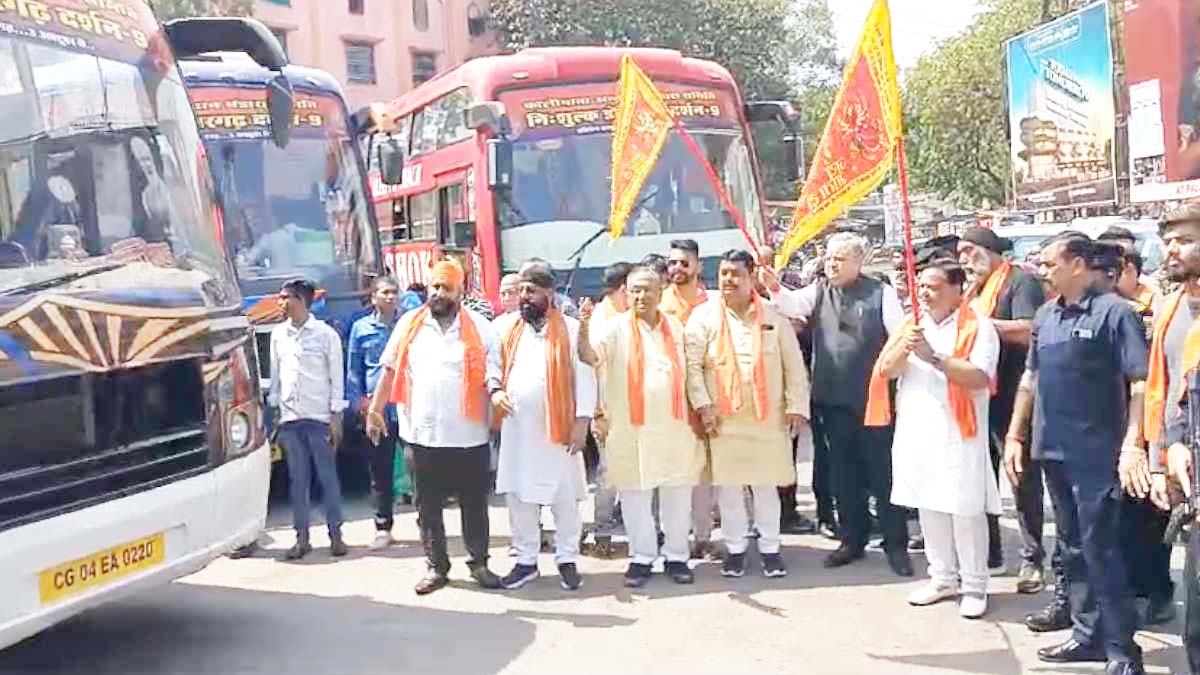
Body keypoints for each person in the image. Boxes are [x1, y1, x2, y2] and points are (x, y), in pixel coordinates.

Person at [1003, 234, 1149, 675]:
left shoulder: (1116, 314)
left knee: (1102, 549)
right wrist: (1015, 435)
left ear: (1079, 265)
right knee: (1070, 549)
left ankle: (1123, 650)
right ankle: (1087, 637)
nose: (1041, 270)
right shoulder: (1046, 316)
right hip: (1053, 450)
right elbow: (1029, 381)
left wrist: (1132, 444)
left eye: (1049, 263)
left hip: (1098, 453)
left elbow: (1140, 384)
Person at [763, 231, 913, 577]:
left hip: (874, 401)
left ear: (859, 262)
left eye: (839, 259)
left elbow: (901, 335)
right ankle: (851, 540)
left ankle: (895, 545)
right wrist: (773, 285)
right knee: (842, 475)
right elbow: (791, 304)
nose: (831, 264)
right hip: (831, 401)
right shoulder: (818, 291)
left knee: (882, 474)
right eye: (829, 258)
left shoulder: (881, 293)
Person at [868, 256, 1001, 619]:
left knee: (964, 510)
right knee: (928, 505)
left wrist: (934, 356)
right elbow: (886, 371)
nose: (924, 294)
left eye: (934, 287)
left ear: (957, 290)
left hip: (961, 433)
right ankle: (942, 577)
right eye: (921, 286)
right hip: (917, 431)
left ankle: (975, 584)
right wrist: (905, 347)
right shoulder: (912, 325)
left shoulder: (978, 327)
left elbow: (979, 377)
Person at [365, 260, 503, 595]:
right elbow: (389, 368)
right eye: (435, 287)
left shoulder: (482, 329)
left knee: (474, 505)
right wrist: (375, 409)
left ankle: (479, 563)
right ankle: (436, 567)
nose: (439, 294)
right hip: (421, 434)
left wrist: (497, 393)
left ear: (460, 292)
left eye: (446, 288)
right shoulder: (410, 324)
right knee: (427, 508)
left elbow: (494, 372)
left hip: (468, 435)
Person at [685, 249, 810, 578]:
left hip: (768, 417)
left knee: (767, 486)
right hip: (722, 420)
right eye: (724, 273)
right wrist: (703, 405)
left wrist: (797, 406)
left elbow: (793, 365)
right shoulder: (704, 316)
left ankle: (770, 548)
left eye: (735, 274)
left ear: (751, 276)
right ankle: (736, 549)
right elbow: (692, 368)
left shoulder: (772, 315)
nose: (728, 280)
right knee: (729, 488)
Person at [593, 265, 702, 586]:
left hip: (674, 426)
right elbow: (592, 357)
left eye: (647, 290)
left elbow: (692, 373)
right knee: (634, 495)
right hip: (630, 429)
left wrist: (703, 408)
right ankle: (641, 557)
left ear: (661, 291)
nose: (640, 296)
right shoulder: (613, 328)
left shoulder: (676, 328)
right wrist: (584, 329)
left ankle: (677, 556)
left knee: (677, 495)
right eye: (634, 290)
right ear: (626, 293)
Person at [492, 262, 595, 591]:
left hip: (560, 430)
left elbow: (587, 377)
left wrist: (582, 422)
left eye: (531, 290)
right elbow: (491, 367)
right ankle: (525, 561)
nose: (524, 296)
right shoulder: (504, 328)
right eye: (521, 289)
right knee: (519, 499)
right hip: (519, 430)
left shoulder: (572, 329)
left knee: (564, 499)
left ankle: (567, 559)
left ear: (549, 294)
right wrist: (495, 392)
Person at [956, 227, 1047, 589]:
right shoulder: (973, 290)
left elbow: (1029, 330)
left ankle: (1033, 559)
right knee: (982, 478)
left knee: (1021, 478)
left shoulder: (1020, 283)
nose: (963, 259)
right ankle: (990, 552)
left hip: (1015, 395)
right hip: (980, 397)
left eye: (968, 251)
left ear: (990, 251)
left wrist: (980, 327)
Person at [1146, 204, 1200, 668]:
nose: (1171, 249)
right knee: (1196, 613)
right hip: (1190, 475)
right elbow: (1174, 389)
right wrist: (1164, 455)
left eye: (1182, 239)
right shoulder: (1175, 304)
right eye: (1168, 241)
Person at [270, 278, 348, 561]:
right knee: (297, 481)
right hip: (291, 419)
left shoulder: (326, 335)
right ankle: (301, 538)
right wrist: (276, 410)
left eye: (285, 298)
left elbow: (336, 378)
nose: (280, 303)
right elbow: (276, 375)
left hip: (319, 418)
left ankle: (336, 536)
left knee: (327, 479)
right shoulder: (279, 335)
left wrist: (336, 416)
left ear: (301, 301)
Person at [660, 239, 721, 555]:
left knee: (702, 472)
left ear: (697, 266)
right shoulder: (657, 304)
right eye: (672, 263)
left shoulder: (713, 303)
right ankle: (671, 539)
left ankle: (703, 537)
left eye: (684, 263)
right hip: (666, 401)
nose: (677, 269)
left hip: (706, 399)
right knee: (669, 472)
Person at [346, 276, 405, 549]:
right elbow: (354, 370)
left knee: (419, 466)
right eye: (385, 292)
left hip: (408, 407)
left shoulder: (409, 325)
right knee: (379, 470)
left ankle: (426, 522)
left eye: (394, 292)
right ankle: (383, 527)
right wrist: (359, 403)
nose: (390, 297)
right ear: (373, 298)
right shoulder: (361, 329)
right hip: (377, 410)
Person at [586, 262, 634, 548]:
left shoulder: (623, 315)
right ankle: (603, 528)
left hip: (631, 407)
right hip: (606, 408)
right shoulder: (602, 322)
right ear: (621, 289)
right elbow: (593, 370)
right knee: (608, 472)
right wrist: (597, 412)